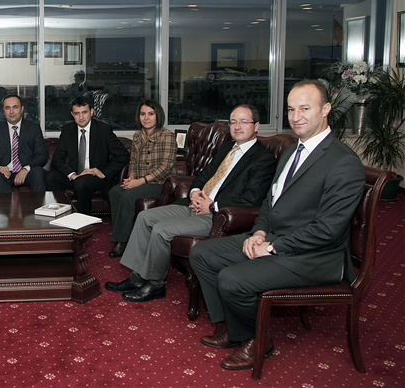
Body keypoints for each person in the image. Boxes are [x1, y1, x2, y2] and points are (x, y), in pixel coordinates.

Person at [191, 80, 365, 371]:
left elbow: (327, 230)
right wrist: (260, 232)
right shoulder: (290, 151)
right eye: (291, 109)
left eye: (305, 108)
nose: (296, 116)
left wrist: (272, 247)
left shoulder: (343, 162)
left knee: (232, 279)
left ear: (326, 110)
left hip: (316, 256)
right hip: (275, 237)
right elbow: (270, 202)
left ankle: (257, 339)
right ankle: (232, 328)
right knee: (202, 254)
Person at [105, 104, 276, 302]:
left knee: (160, 229)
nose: (237, 126)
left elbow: (252, 198)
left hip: (217, 215)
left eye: (244, 122)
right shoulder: (227, 148)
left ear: (256, 126)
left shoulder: (263, 159)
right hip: (194, 204)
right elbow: (204, 175)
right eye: (233, 122)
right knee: (144, 217)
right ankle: (137, 277)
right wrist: (195, 192)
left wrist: (212, 206)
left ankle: (155, 284)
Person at [107, 99, 177, 258]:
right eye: (143, 114)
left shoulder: (167, 136)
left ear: (158, 115)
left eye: (150, 114)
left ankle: (121, 242)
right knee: (115, 192)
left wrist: (140, 181)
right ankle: (126, 233)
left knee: (129, 195)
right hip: (140, 181)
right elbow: (133, 161)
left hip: (161, 184)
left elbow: (166, 167)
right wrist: (131, 178)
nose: (146, 118)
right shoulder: (138, 135)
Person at [45, 96, 129, 215]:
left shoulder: (103, 129)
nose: (81, 117)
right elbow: (57, 159)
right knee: (49, 177)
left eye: (84, 112)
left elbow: (123, 155)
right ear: (72, 114)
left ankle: (84, 219)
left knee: (81, 183)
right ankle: (62, 214)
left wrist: (104, 173)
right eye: (77, 113)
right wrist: (73, 175)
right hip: (76, 174)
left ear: (92, 112)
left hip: (96, 177)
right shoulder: (67, 130)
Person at [0, 94, 48, 192]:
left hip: (27, 173)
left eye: (15, 107)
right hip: (5, 174)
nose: (11, 111)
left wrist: (26, 169)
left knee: (38, 172)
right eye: (7, 108)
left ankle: (38, 202)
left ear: (22, 109)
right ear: (3, 111)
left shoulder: (34, 128)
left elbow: (42, 155)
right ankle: (8, 202)